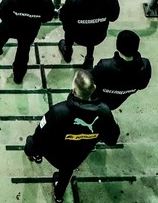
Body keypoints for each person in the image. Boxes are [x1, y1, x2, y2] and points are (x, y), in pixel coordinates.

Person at [24, 69, 120, 203]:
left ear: (74, 90)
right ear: (94, 88)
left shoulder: (58, 111)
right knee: (66, 173)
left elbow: (40, 135)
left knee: (35, 142)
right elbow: (112, 139)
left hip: (53, 153)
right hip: (76, 157)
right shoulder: (104, 112)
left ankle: (36, 156)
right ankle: (59, 195)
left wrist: (30, 149)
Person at [58, 0, 120, 69]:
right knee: (91, 30)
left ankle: (68, 51)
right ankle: (89, 58)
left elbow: (63, 17)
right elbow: (114, 17)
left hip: (77, 36)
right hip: (98, 36)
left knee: (70, 30)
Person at [91, 30, 152, 110]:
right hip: (118, 101)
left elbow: (91, 81)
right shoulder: (145, 65)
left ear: (118, 45)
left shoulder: (104, 66)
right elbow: (142, 86)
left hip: (98, 98)